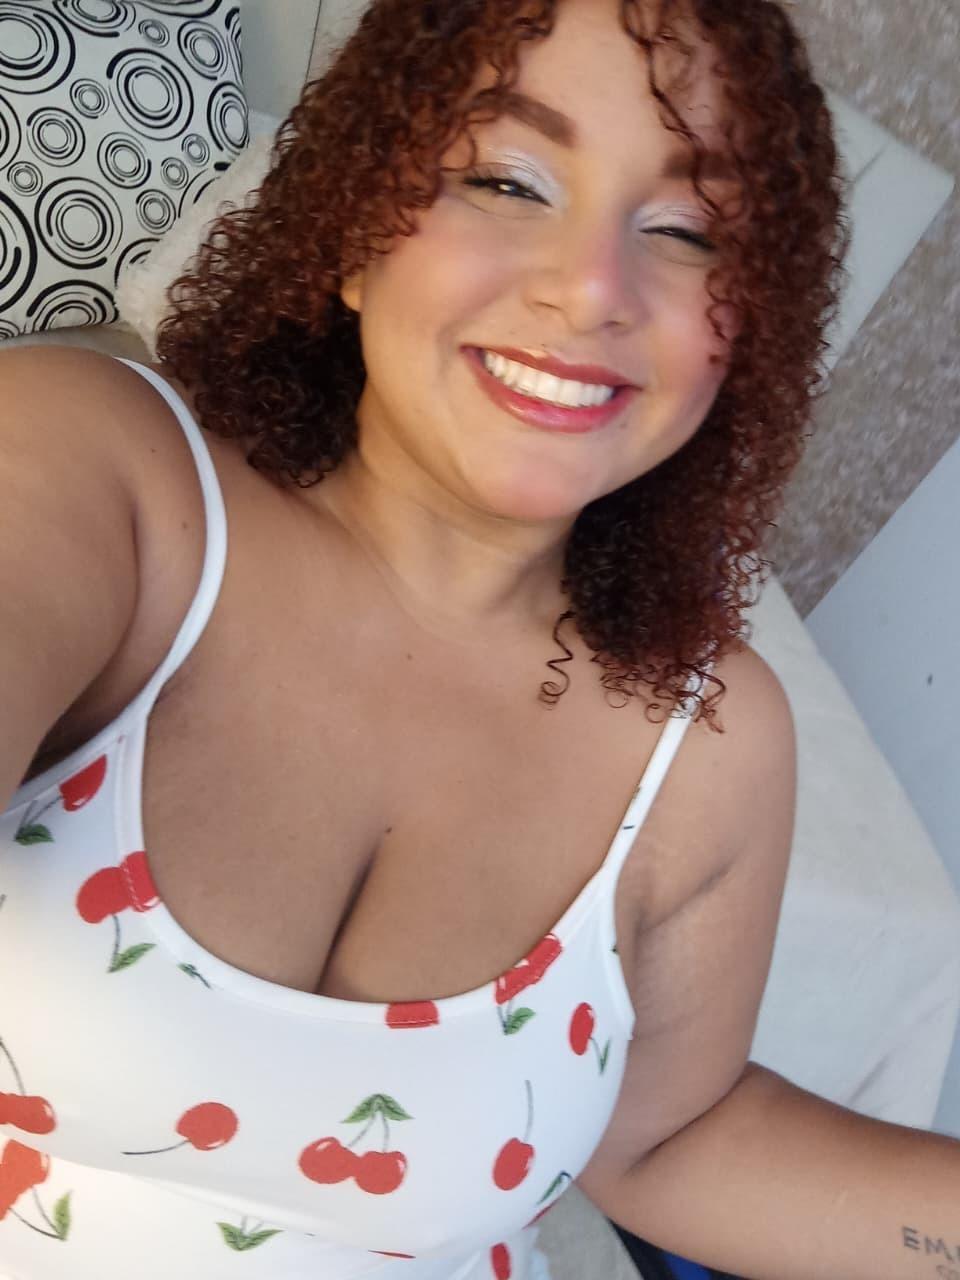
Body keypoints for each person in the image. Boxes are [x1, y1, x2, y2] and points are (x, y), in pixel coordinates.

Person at [0, 0, 957, 1277]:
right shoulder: (95, 473)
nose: (592, 288)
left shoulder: (711, 739)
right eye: (508, 180)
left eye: (687, 230)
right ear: (355, 231)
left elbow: (672, 1137)